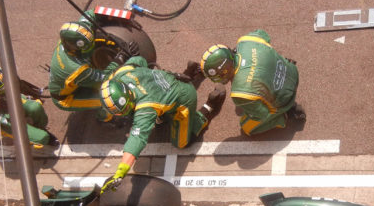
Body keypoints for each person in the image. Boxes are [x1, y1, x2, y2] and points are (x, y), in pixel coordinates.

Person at [99, 55, 226, 191]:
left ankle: (209, 107)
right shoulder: (122, 73)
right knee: (160, 114)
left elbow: (137, 139)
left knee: (182, 143)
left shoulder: (146, 106)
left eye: (119, 111)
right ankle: (190, 72)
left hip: (185, 98)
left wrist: (120, 173)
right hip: (169, 79)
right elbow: (139, 60)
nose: (118, 114)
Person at [200, 30, 303, 136]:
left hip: (285, 98)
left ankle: (282, 117)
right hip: (292, 71)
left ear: (223, 73)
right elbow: (264, 35)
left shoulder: (239, 94)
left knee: (246, 127)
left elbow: (262, 114)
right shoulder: (246, 40)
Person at [0, 63, 59, 149]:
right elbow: (8, 120)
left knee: (35, 107)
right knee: (42, 137)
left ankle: (40, 127)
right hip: (3, 123)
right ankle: (39, 138)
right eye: (2, 88)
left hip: (7, 105)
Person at [48, 14, 115, 120]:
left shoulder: (70, 38)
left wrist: (113, 17)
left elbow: (90, 14)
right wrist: (119, 59)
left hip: (71, 81)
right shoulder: (76, 70)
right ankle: (104, 118)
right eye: (85, 49)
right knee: (110, 99)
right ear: (74, 48)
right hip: (67, 98)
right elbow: (107, 78)